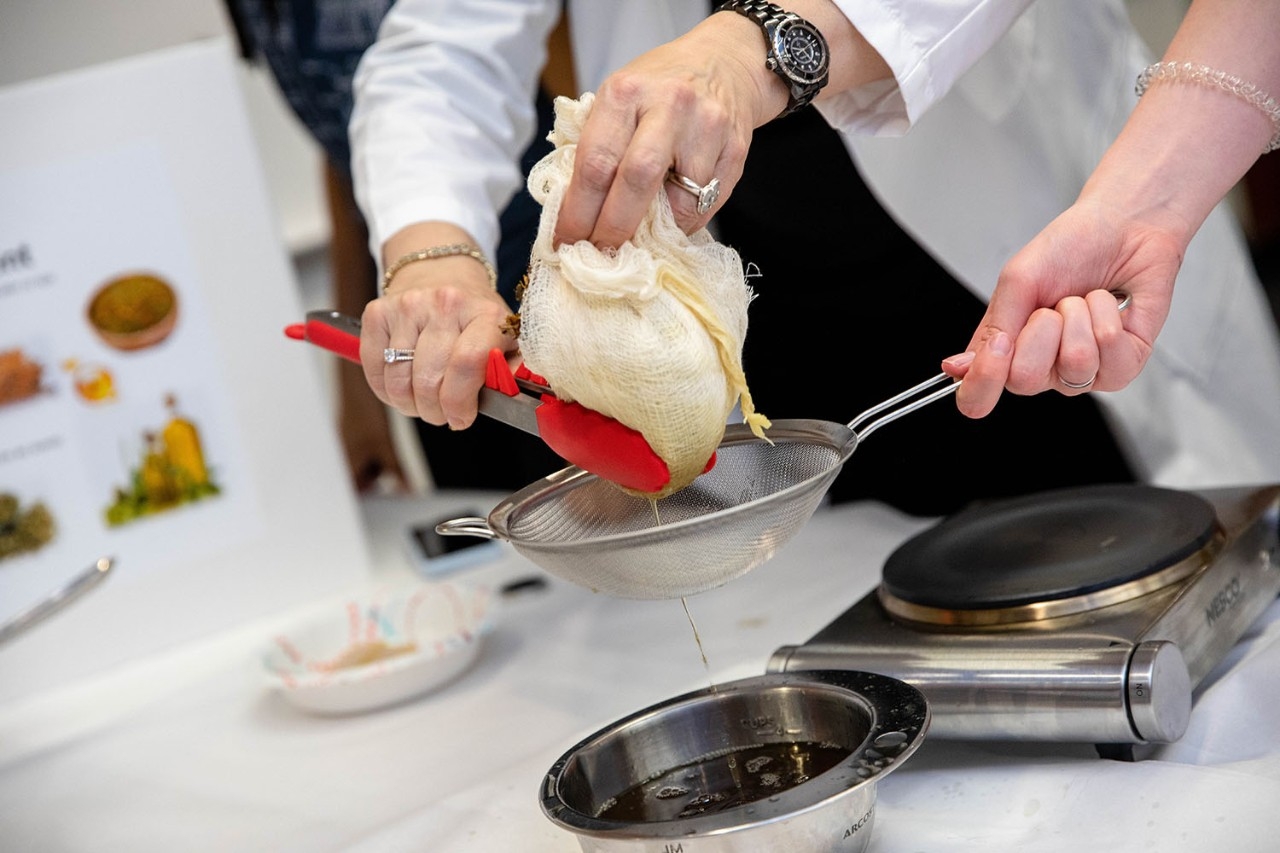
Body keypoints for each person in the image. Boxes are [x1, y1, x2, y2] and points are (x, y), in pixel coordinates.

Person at [350, 0, 1280, 516]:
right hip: (757, 329)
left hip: (1021, 257)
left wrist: (749, 45)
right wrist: (431, 251)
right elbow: (439, 49)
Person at [224, 0, 567, 493]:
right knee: (480, 506)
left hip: (544, 283)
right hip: (419, 311)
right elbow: (347, 154)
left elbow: (576, 86)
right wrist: (358, 381)